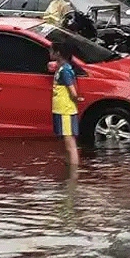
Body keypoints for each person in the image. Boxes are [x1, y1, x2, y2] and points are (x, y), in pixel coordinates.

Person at [51, 41, 84, 169]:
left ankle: (73, 173)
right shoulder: (61, 68)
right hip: (61, 109)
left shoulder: (65, 71)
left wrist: (77, 98)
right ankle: (68, 167)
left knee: (70, 143)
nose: (50, 53)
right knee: (66, 143)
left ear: (58, 53)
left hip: (66, 110)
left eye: (51, 50)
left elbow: (73, 91)